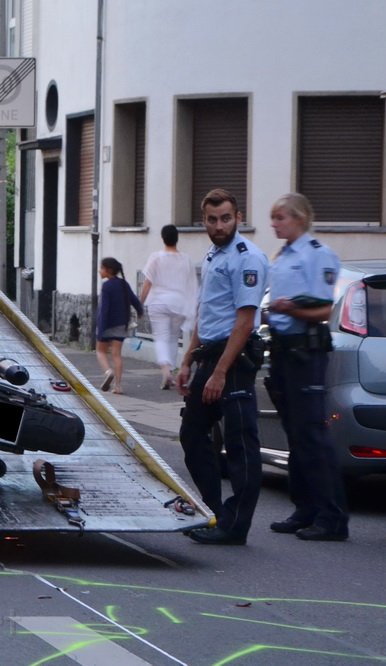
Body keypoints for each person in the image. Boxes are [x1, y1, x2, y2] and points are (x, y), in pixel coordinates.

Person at [178, 188, 268, 545]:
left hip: (234, 358)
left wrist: (219, 372)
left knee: (241, 443)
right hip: (210, 355)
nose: (219, 225)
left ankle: (236, 526)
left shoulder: (247, 258)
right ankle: (215, 511)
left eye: (226, 218)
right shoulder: (215, 254)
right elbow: (207, 311)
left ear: (238, 218)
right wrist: (188, 358)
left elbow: (245, 321)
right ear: (204, 221)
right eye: (212, 220)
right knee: (192, 433)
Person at [266, 193, 349, 541]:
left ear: (299, 217)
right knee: (295, 434)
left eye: (280, 217)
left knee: (312, 433)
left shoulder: (317, 254)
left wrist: (290, 310)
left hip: (306, 352)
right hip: (284, 350)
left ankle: (333, 517)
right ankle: (305, 508)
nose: (274, 223)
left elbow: (323, 309)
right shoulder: (284, 254)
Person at [139, 224, 199, 390]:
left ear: (163, 238)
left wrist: (140, 303)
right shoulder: (186, 259)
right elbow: (191, 284)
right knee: (173, 338)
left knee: (161, 337)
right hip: (178, 303)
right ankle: (171, 369)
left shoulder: (156, 257)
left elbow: (147, 283)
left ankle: (166, 371)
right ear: (177, 238)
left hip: (158, 302)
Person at [95, 257, 143, 395]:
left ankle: (108, 372)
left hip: (107, 324)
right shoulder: (123, 284)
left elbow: (104, 309)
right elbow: (134, 299)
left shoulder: (106, 286)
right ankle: (118, 386)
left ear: (108, 270)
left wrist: (100, 329)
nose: (100, 271)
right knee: (117, 355)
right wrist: (139, 311)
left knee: (100, 351)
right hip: (121, 324)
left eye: (101, 268)